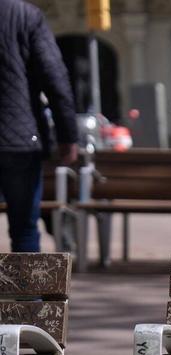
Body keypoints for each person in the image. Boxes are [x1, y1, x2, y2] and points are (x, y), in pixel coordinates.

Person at [0, 0, 78, 252]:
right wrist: (67, 137)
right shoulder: (25, 15)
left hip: (19, 138)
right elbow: (55, 80)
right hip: (20, 140)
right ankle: (26, 290)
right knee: (24, 228)